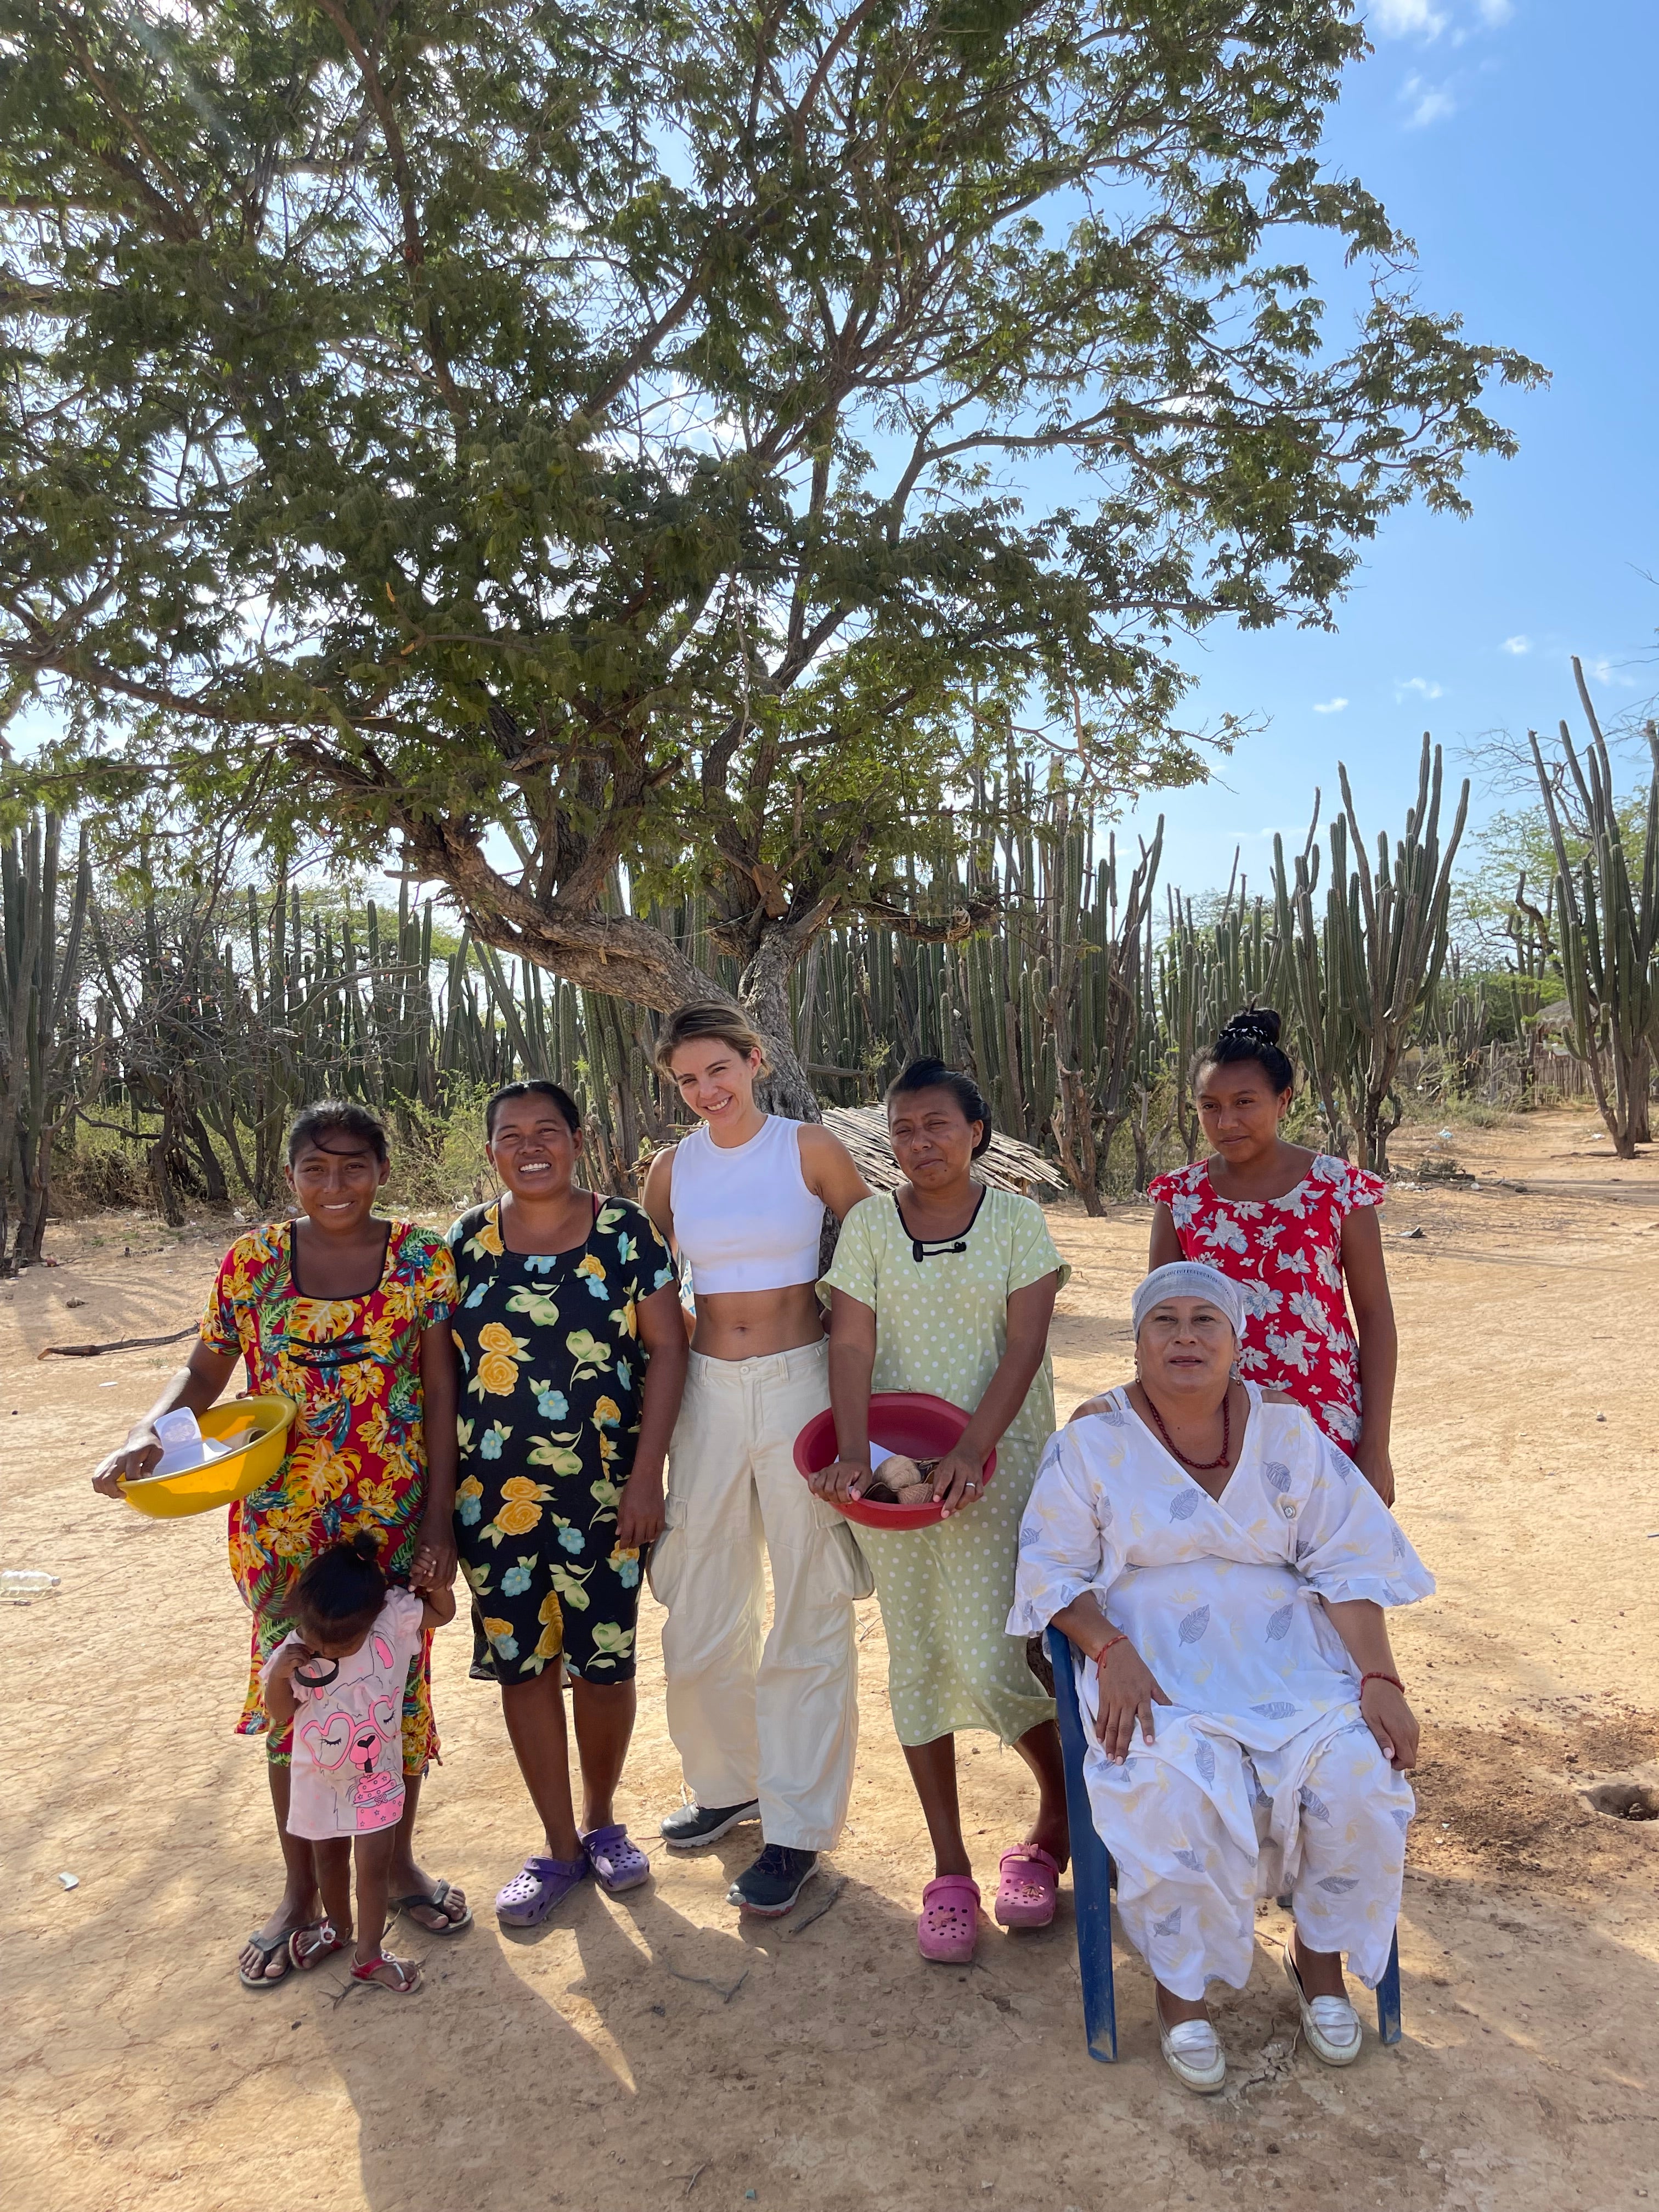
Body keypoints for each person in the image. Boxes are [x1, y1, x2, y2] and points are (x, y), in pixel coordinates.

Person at [1011, 1261, 1431, 2094]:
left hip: (1287, 1652)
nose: (1186, 1336)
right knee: (1169, 1783)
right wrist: (1106, 1648)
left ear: (1238, 1341)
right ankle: (1181, 1991)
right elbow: (1052, 1569)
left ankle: (1318, 1962)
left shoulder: (1287, 1431)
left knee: (1353, 1773)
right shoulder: (1092, 1439)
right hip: (1151, 1658)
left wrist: (1380, 1676)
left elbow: (1347, 1559)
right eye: (1164, 1321)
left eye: (1207, 1320)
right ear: (1137, 1342)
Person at [91, 1101, 470, 1989]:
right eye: (314, 1168)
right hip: (281, 1529)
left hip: (389, 1521)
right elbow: (205, 1370)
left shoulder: (420, 1261)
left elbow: (443, 1395)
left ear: (382, 1170)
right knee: (287, 1695)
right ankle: (301, 1894)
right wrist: (146, 1432)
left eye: (352, 1167)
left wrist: (438, 1524)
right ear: (290, 1174)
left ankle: (399, 1865)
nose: (333, 1185)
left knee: (394, 1692)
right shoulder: (253, 1263)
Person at [814, 1059, 1070, 1963]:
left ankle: (1052, 1833)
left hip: (998, 1479)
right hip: (897, 1485)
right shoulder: (868, 1228)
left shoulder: (1015, 1221)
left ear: (976, 1133)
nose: (918, 1142)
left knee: (1000, 1656)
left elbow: (1024, 1345)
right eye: (903, 1128)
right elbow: (850, 1338)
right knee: (917, 1657)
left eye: (936, 1124)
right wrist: (854, 1454)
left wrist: (972, 1451)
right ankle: (949, 1870)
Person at [641, 1003, 873, 1917]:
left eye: (718, 1069)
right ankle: (726, 1780)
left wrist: (860, 1388)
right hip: (704, 1387)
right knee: (697, 1595)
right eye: (687, 1079)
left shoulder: (806, 1148)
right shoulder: (671, 1169)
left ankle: (796, 1828)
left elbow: (871, 1251)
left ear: (754, 1058)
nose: (706, 1091)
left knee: (809, 1599)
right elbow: (649, 1276)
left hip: (798, 1381)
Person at [449, 1080, 687, 1925]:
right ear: (491, 1153)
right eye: (511, 1135)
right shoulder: (466, 1241)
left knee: (605, 1661)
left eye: (547, 1130)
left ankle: (602, 1822)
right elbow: (444, 1374)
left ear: (578, 1141)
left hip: (606, 1496)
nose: (530, 1146)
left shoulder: (626, 1233)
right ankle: (555, 1846)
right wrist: (444, 1500)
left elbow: (668, 1350)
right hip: (494, 1500)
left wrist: (645, 1473)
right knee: (524, 1665)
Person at [1148, 1007, 1400, 1502]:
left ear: (1283, 1101)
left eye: (1245, 1102)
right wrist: (1159, 1429)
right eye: (1210, 1106)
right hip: (1211, 1424)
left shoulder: (1337, 1188)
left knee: (1331, 1567)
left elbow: (1374, 1315)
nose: (1227, 1121)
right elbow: (1158, 1324)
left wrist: (1376, 1445)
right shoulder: (1180, 1198)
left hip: (1324, 1416)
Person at [265, 1532, 458, 1993]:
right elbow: (280, 1713)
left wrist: (436, 1583)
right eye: (319, 1641)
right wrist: (278, 1676)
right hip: (318, 1783)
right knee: (328, 1864)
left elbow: (444, 1614)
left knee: (374, 1868)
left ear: (373, 1619)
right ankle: (336, 1928)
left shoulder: (391, 1620)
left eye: (341, 1644)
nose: (327, 1651)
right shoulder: (295, 1651)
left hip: (376, 1781)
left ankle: (368, 1954)